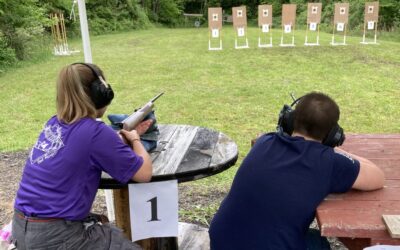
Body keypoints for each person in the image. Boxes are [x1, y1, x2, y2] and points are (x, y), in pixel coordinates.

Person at [209, 92, 385, 250]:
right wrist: (333, 151)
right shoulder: (328, 161)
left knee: (311, 237)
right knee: (319, 243)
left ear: (290, 120)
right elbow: (377, 177)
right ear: (333, 135)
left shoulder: (264, 141)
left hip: (222, 241)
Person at [11, 63, 153, 249]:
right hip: (56, 236)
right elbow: (144, 174)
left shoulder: (54, 123)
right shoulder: (96, 132)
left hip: (21, 228)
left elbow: (81, 148)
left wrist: (119, 141)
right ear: (99, 93)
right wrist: (135, 140)